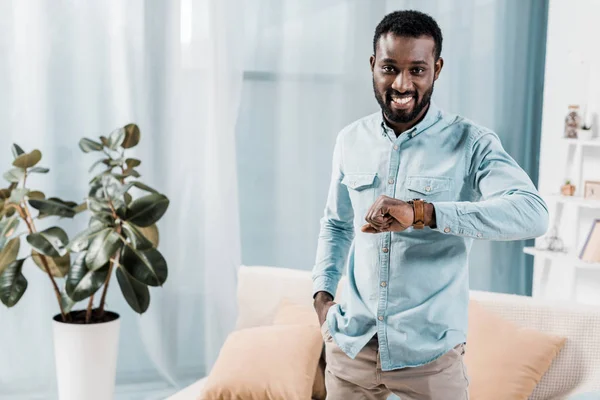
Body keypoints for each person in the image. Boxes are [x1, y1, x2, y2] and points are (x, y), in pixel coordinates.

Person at [312, 10, 548, 400]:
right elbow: (336, 225)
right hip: (351, 345)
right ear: (373, 65)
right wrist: (322, 297)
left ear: (437, 69)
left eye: (417, 70)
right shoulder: (350, 140)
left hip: (430, 357)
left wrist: (423, 212)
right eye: (389, 68)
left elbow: (532, 213)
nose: (402, 84)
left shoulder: (472, 142)